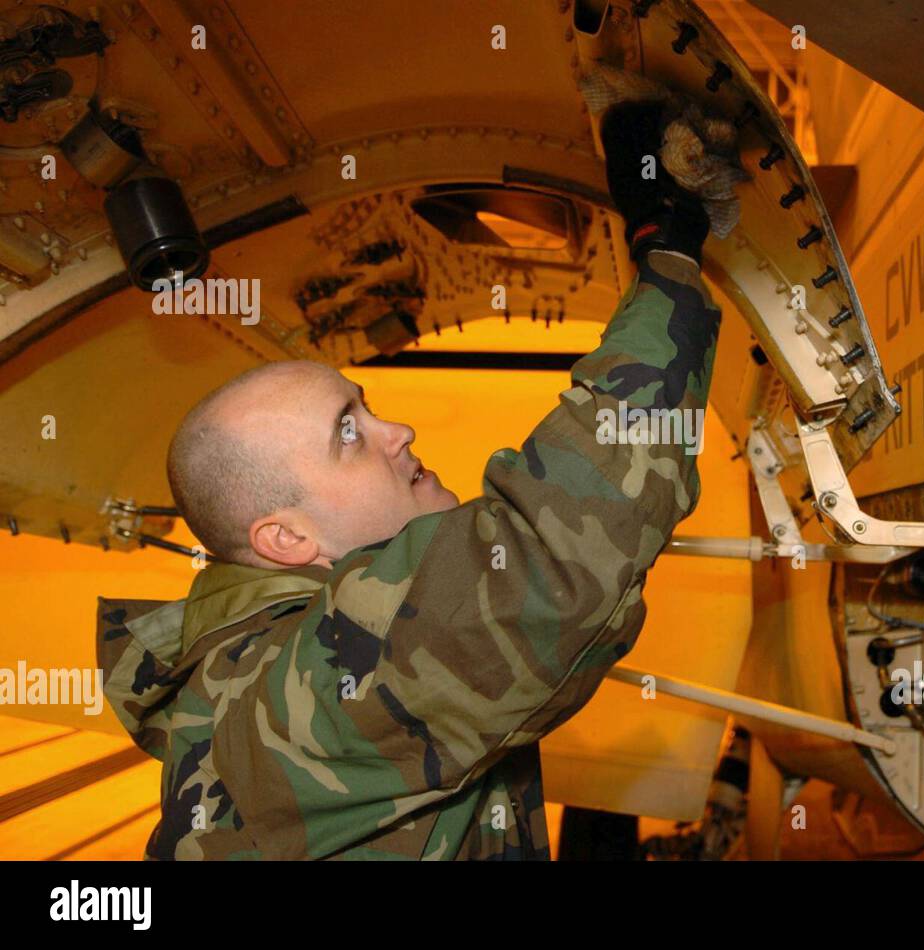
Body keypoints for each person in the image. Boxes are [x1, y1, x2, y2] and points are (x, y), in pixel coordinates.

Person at [96, 100, 723, 859]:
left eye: (367, 409)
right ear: (287, 538)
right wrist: (667, 245)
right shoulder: (303, 685)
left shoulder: (253, 674)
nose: (401, 434)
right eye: (349, 434)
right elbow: (553, 555)